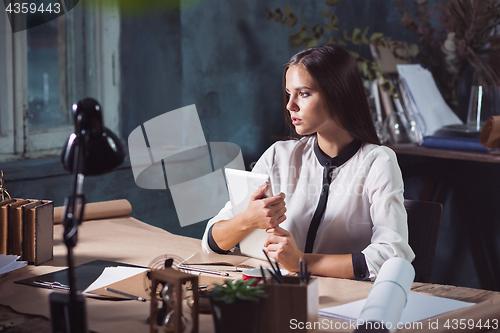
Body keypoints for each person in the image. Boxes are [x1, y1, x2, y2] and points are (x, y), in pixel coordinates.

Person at [201, 45, 415, 280]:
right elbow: (211, 241)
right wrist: (246, 220)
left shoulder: (378, 162)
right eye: (288, 93)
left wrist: (301, 261)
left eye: (303, 93)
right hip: (280, 295)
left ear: (338, 94)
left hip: (343, 304)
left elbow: (392, 256)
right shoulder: (278, 156)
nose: (290, 105)